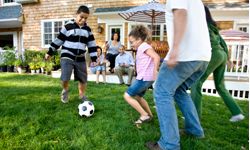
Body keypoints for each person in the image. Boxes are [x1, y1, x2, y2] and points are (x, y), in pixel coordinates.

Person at [146, 0, 212, 149]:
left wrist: (175, 49)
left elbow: (181, 13)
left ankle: (169, 144)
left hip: (185, 55)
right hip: (203, 57)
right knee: (180, 90)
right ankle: (194, 130)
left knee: (162, 91)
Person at [190, 6, 245, 122]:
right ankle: (237, 112)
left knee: (196, 83)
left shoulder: (200, 25)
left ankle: (195, 118)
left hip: (213, 54)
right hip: (221, 55)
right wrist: (228, 59)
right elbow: (223, 42)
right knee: (220, 85)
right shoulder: (212, 26)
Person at [45, 5, 97, 103]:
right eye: (81, 17)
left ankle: (82, 96)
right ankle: (65, 90)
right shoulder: (68, 26)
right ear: (77, 14)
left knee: (83, 79)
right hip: (67, 55)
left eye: (85, 18)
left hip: (80, 57)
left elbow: (92, 45)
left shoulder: (88, 30)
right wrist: (50, 52)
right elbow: (59, 40)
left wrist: (94, 59)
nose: (83, 19)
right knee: (65, 77)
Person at [124, 25, 160, 126]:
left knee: (127, 96)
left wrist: (155, 71)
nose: (131, 45)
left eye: (132, 42)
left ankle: (144, 115)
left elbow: (156, 57)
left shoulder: (144, 46)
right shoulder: (142, 47)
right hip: (146, 78)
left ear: (139, 39)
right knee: (138, 96)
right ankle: (150, 115)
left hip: (144, 78)